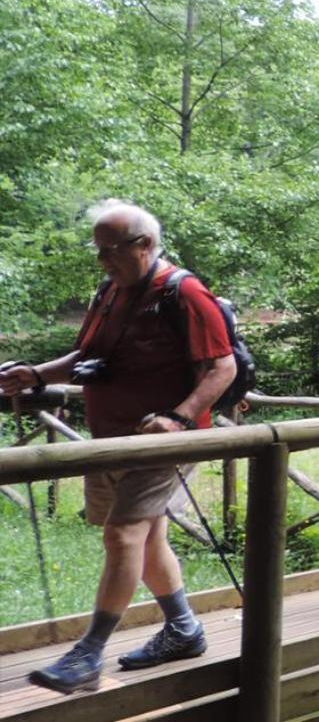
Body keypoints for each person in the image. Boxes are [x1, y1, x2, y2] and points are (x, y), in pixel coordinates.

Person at [0, 200, 235, 693]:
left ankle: (88, 655)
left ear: (144, 244)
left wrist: (178, 418)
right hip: (110, 439)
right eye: (99, 250)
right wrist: (39, 373)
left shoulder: (184, 292)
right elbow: (89, 356)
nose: (102, 260)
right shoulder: (110, 292)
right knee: (148, 539)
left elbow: (222, 367)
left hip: (161, 443)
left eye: (110, 250)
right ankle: (184, 630)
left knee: (123, 535)